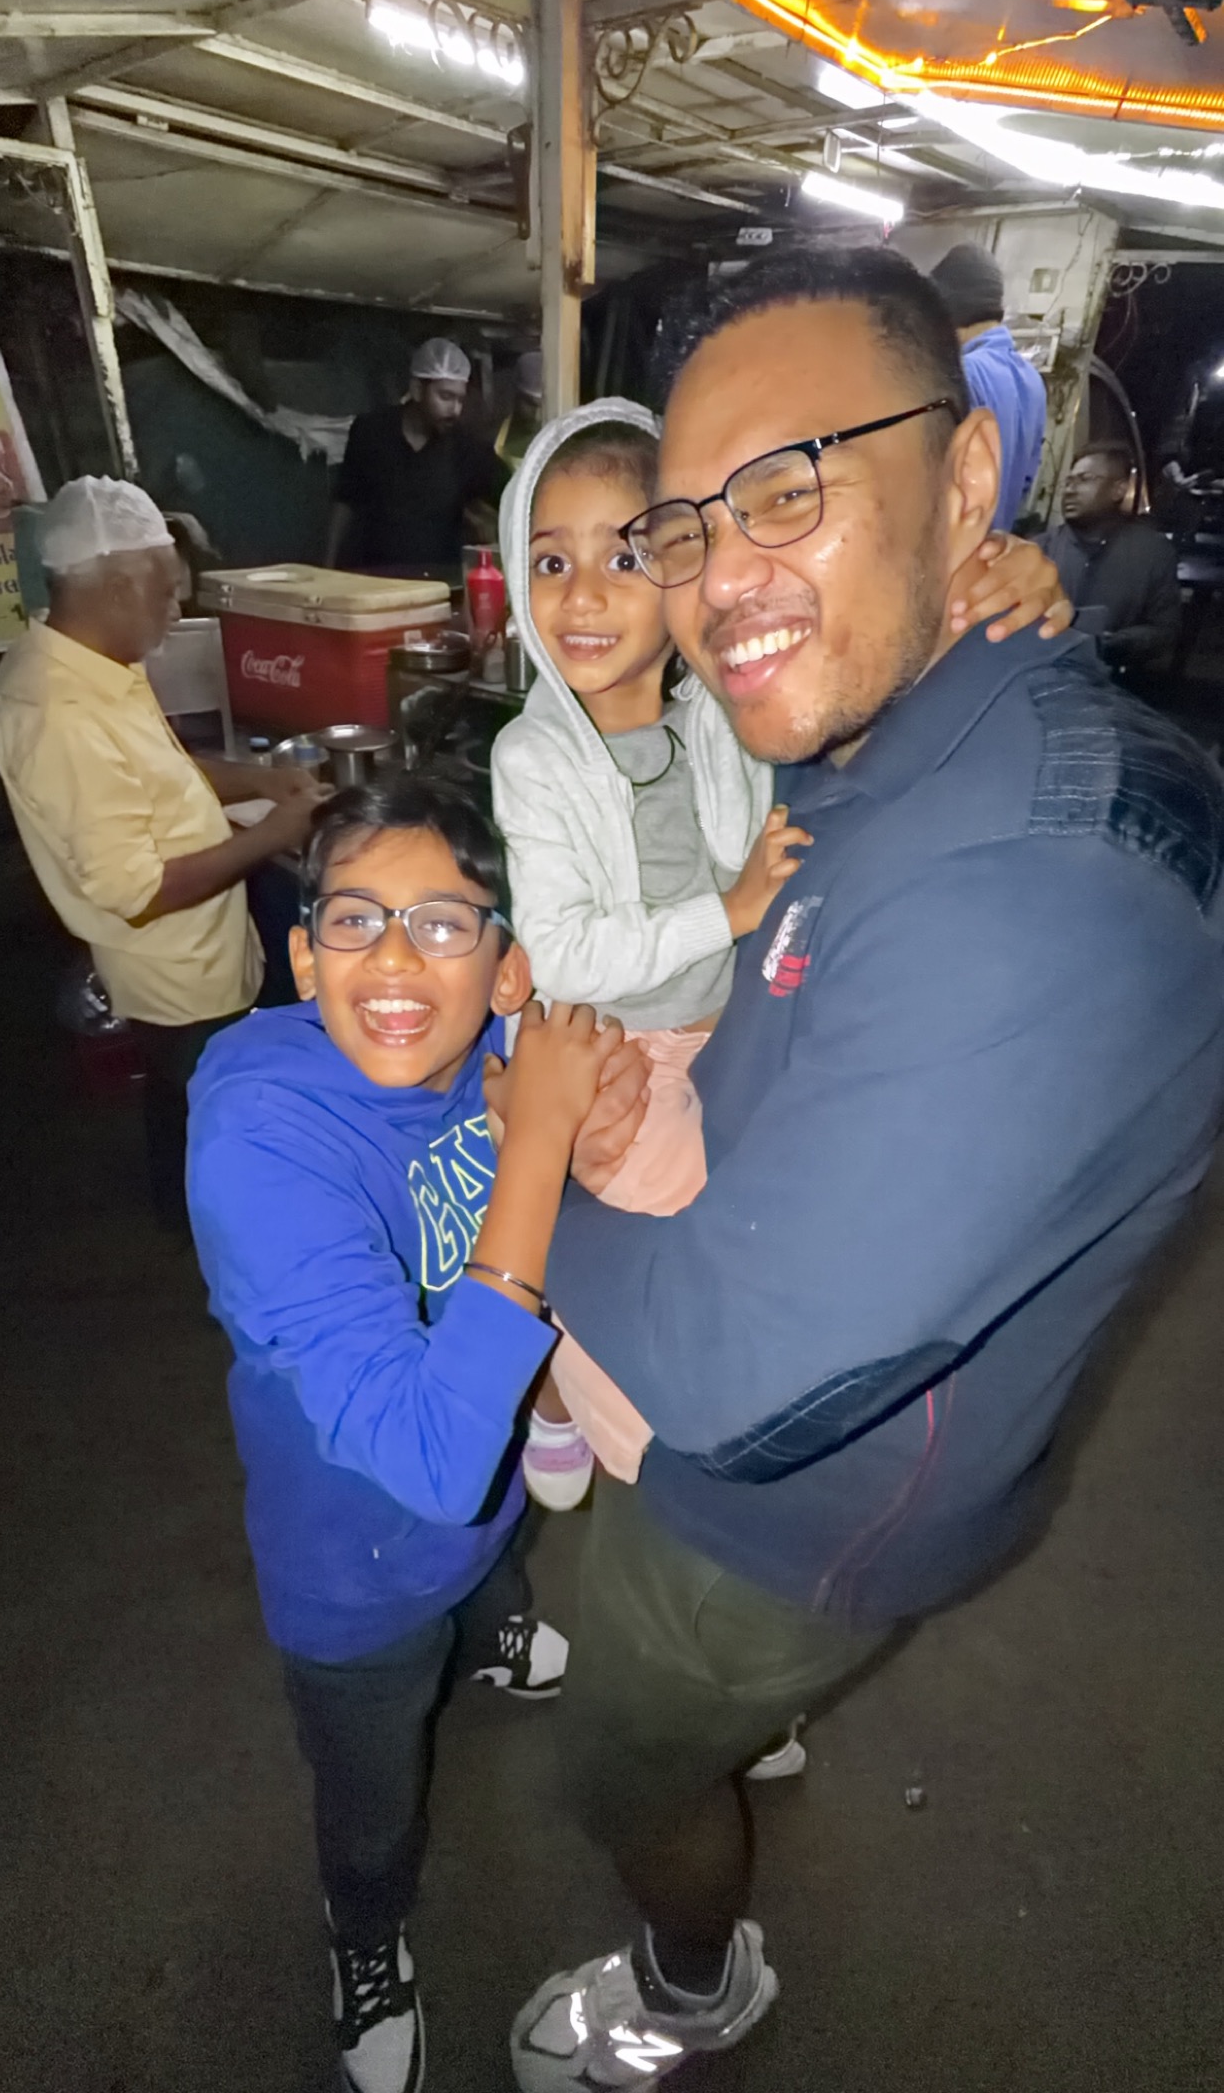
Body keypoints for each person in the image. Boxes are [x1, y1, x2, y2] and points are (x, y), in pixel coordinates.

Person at [505, 248, 1224, 2089]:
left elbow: (732, 1372)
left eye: (787, 488)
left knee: (619, 1761)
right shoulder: (911, 713)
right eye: (684, 526)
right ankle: (750, 1730)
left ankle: (688, 1987)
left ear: (965, 475)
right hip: (783, 1368)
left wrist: (531, 1182)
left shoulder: (1032, 896)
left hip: (791, 1512)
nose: (715, 574)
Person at [492, 400, 1070, 1519]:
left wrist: (996, 569)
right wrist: (729, 909)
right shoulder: (534, 755)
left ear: (684, 569)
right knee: (675, 1241)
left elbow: (865, 663)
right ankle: (617, 1430)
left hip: (719, 1024)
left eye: (625, 556)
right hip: (610, 1042)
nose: (583, 595)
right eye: (550, 561)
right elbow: (565, 948)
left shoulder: (718, 708)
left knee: (772, 1203)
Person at [187, 774, 647, 2093]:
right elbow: (434, 1461)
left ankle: (494, 1636)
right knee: (371, 1798)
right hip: (354, 1568)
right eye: (353, 921)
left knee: (493, 1560)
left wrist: (583, 1117)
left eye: (442, 923)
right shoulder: (260, 1134)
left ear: (507, 968)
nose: (392, 961)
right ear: (302, 958)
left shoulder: (501, 1047)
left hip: (484, 1513)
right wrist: (542, 1141)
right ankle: (366, 1932)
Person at [0, 477, 324, 1226]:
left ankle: (186, 1214)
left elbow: (164, 770)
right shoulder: (58, 710)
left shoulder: (95, 662)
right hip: (175, 980)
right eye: (166, 592)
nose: (176, 610)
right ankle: (213, 1243)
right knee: (214, 1119)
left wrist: (260, 781)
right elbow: (136, 890)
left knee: (185, 1110)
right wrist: (274, 835)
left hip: (206, 950)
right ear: (116, 587)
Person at [328, 336, 507, 574]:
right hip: (371, 581)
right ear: (417, 390)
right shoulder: (370, 433)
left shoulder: (467, 449)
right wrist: (328, 566)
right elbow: (345, 503)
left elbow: (510, 497)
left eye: (460, 399)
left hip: (439, 585)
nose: (455, 410)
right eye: (445, 397)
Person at [929, 242, 1046, 531]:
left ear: (947, 314)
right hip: (992, 544)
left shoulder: (962, 374)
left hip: (951, 545)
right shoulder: (1032, 382)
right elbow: (1026, 481)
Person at [1039, 445, 1183, 672]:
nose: (1070, 490)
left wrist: (1107, 644)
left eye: (1085, 479)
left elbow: (1164, 630)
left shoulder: (1153, 551)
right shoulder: (1041, 548)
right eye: (1068, 482)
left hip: (1113, 682)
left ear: (1118, 489)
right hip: (1039, 676)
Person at [495, 350, 544, 473]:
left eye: (542, 406)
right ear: (516, 397)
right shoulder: (495, 437)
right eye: (530, 404)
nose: (537, 415)